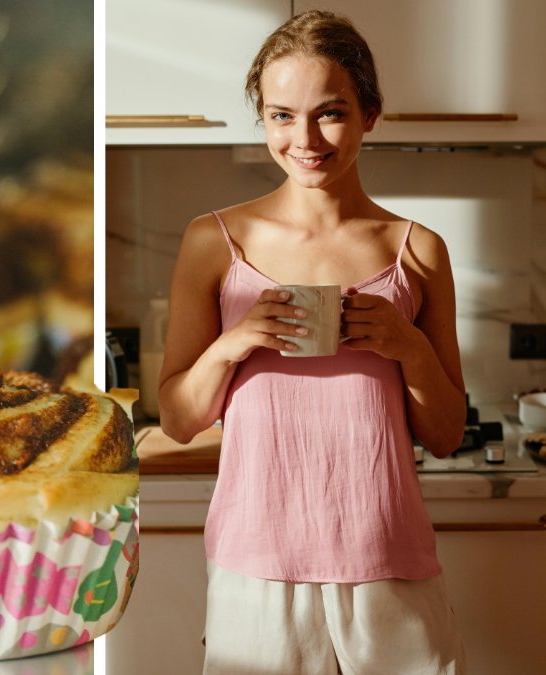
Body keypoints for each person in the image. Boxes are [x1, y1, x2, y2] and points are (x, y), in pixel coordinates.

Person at [156, 10, 467, 674]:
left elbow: (445, 434)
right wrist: (235, 342)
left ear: (370, 114)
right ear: (262, 118)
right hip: (256, 568)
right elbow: (179, 419)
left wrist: (407, 347)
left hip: (389, 564)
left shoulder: (416, 251)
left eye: (330, 112)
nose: (305, 138)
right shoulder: (213, 242)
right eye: (280, 115)